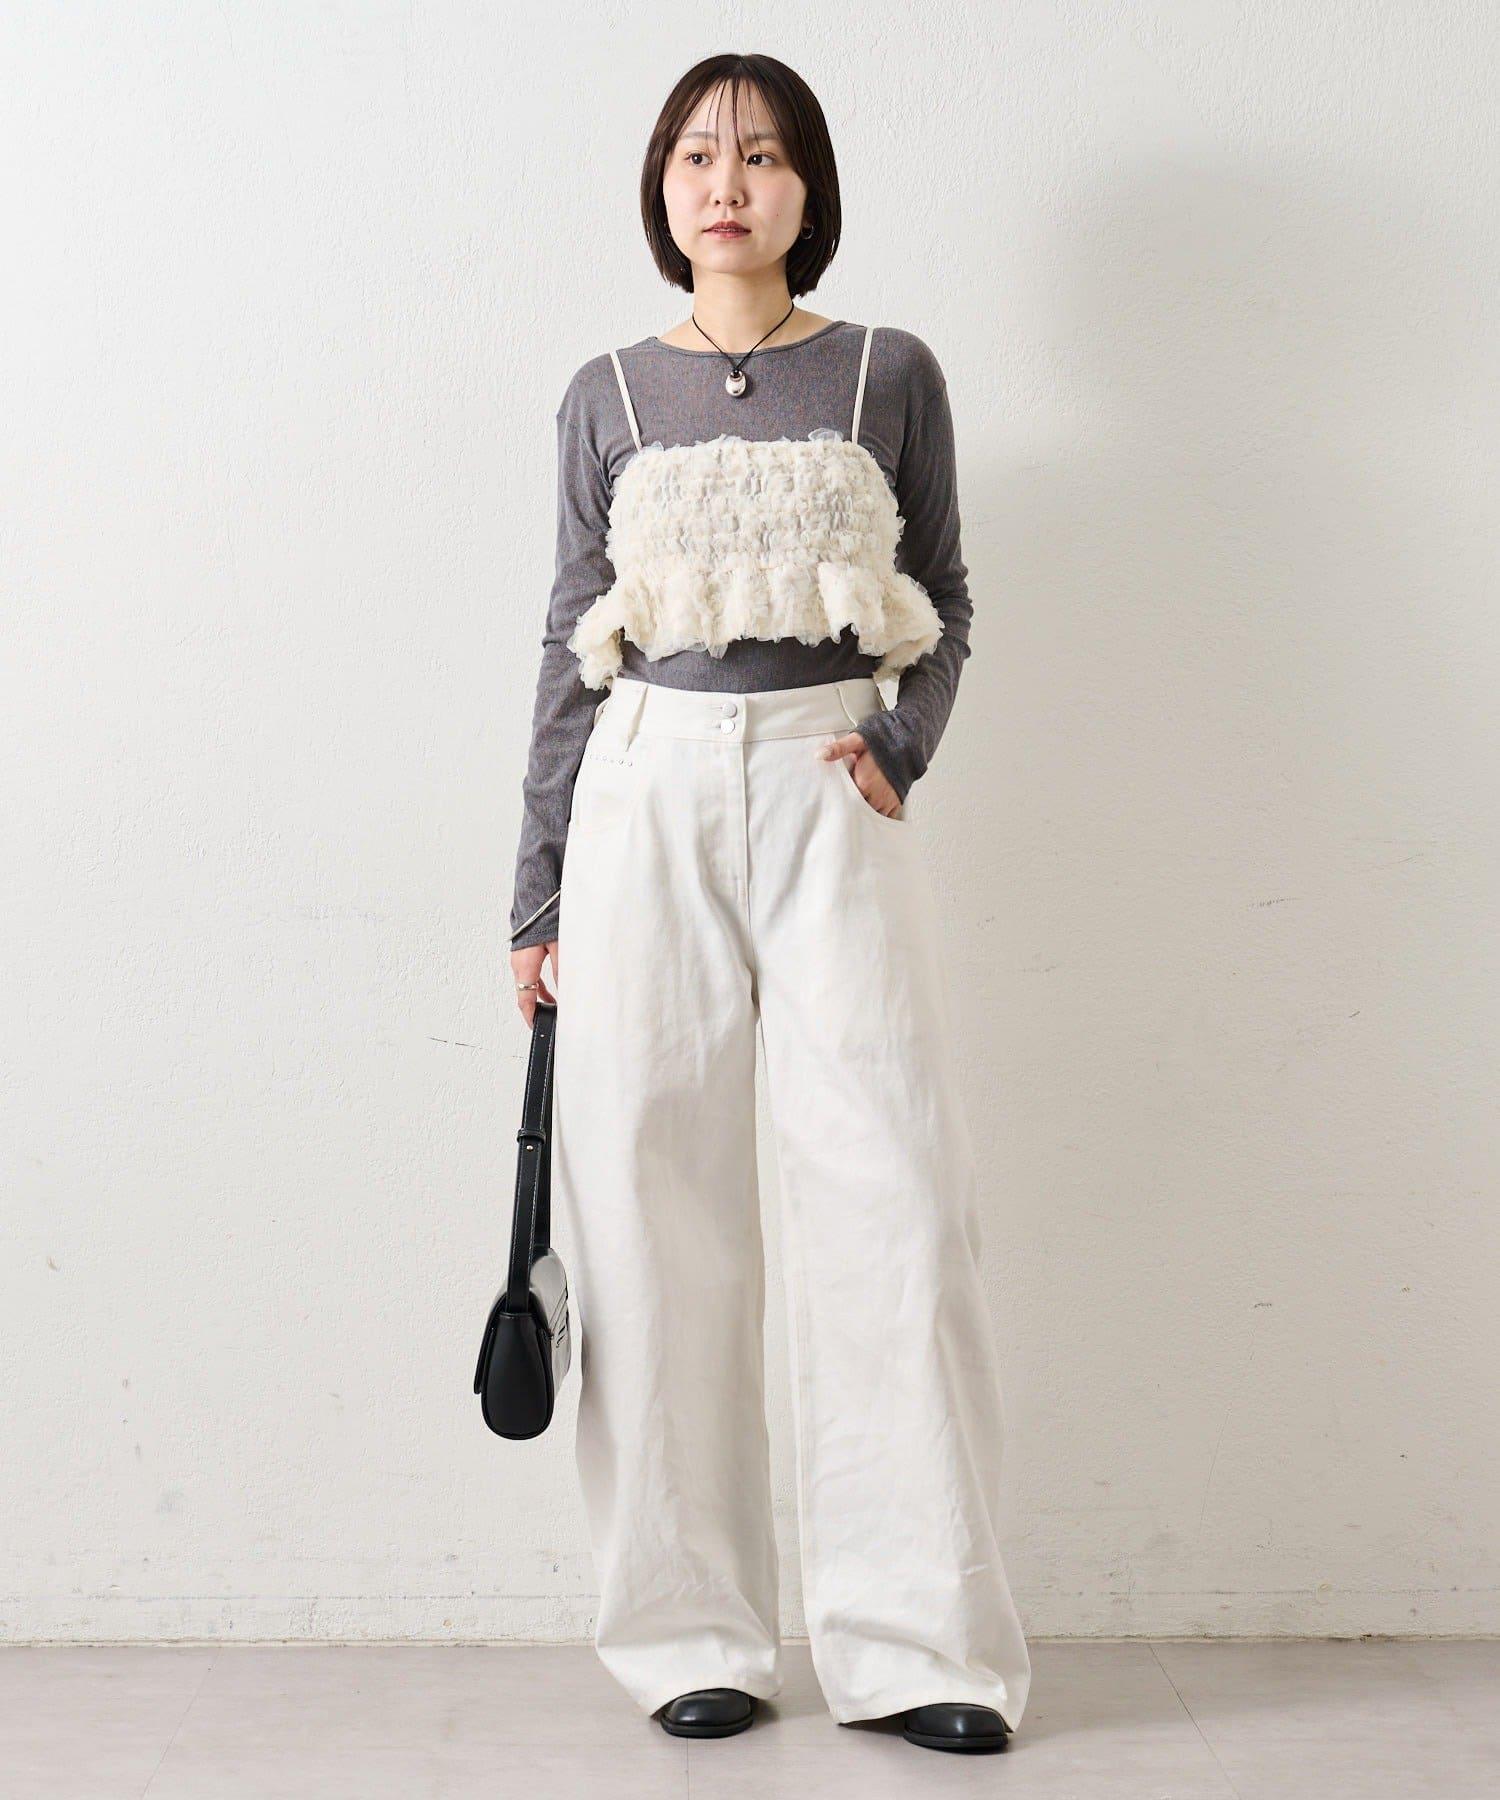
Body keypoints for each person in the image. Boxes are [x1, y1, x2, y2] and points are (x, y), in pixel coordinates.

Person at [507, 52, 1031, 1756]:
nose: (725, 183)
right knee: (649, 1210)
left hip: (830, 784)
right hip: (644, 793)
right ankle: (690, 1637)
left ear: (811, 186)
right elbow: (568, 644)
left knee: (893, 1201)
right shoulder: (606, 393)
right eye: (695, 154)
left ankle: (923, 1647)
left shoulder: (888, 370)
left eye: (761, 154)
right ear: (660, 190)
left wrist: (904, 745)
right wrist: (534, 900)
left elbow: (946, 597)